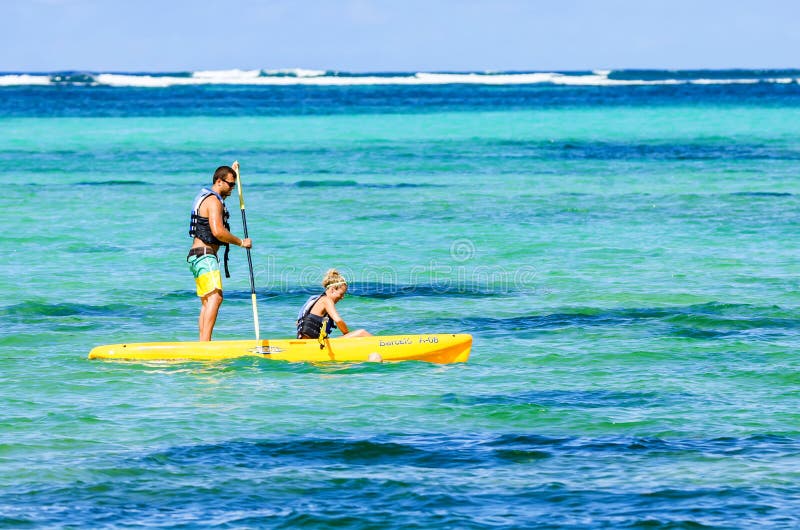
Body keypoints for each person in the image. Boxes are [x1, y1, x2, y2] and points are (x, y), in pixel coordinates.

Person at [187, 162, 252, 341]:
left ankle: (202, 342)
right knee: (216, 298)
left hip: (197, 256)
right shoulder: (213, 201)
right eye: (230, 184)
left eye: (234, 184)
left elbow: (225, 174)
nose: (232, 188)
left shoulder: (208, 196)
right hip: (205, 255)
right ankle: (206, 343)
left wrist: (233, 171)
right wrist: (241, 242)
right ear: (218, 181)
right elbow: (218, 231)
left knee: (208, 300)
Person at [296, 269, 371, 340]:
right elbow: (338, 321)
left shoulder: (315, 300)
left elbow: (298, 323)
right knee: (362, 333)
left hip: (307, 342)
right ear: (332, 289)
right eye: (341, 294)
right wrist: (347, 334)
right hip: (314, 344)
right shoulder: (326, 300)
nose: (342, 297)